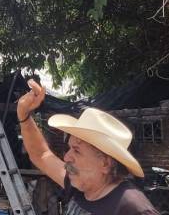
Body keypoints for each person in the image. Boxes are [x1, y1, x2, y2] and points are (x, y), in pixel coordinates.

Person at [17, 79, 159, 215]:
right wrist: (24, 115)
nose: (67, 156)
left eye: (77, 151)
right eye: (70, 148)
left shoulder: (131, 206)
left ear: (105, 163)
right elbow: (41, 155)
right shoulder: (80, 185)